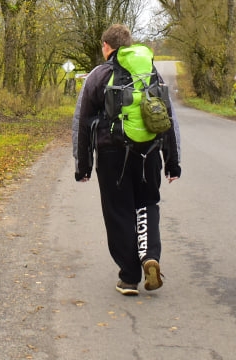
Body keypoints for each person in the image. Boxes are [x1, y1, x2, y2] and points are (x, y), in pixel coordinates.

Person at [73, 24, 181, 295]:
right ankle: (150, 256)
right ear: (130, 45)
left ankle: (130, 276)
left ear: (106, 46)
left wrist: (83, 165)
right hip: (149, 151)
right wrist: (172, 161)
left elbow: (83, 122)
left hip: (112, 154)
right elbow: (167, 117)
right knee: (147, 203)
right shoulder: (150, 73)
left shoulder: (98, 75)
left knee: (118, 211)